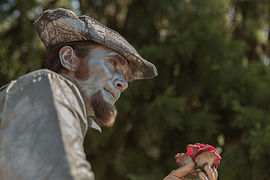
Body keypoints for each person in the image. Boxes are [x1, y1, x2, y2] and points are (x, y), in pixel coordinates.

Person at [0, 8, 218, 180]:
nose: (123, 83)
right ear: (69, 58)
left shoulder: (49, 103)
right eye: (113, 63)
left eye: (125, 77)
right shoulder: (51, 87)